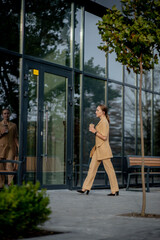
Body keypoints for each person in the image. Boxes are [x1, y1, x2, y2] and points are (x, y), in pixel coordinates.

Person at [77, 105, 119, 196]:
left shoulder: (104, 122)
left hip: (103, 149)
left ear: (103, 112)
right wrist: (94, 129)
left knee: (109, 170)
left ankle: (114, 190)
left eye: (97, 110)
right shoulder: (101, 121)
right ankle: (85, 188)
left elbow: (104, 137)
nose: (96, 112)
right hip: (98, 149)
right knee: (92, 169)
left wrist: (94, 131)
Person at [0, 108, 19, 188]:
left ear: (9, 114)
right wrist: (2, 133)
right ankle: (1, 184)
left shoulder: (14, 125)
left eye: (7, 113)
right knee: (1, 165)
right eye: (4, 113)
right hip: (1, 147)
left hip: (11, 147)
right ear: (2, 115)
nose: (6, 115)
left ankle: (10, 183)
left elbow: (15, 137)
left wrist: (18, 146)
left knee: (9, 164)